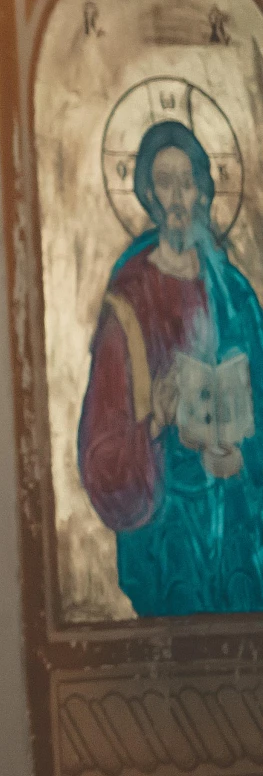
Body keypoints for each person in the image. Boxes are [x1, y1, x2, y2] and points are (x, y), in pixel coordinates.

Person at [77, 120, 263, 615]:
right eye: (165, 182)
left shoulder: (236, 295)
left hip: (239, 526)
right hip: (171, 526)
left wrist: (247, 456)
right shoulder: (129, 304)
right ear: (147, 195)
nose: (179, 196)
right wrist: (155, 421)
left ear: (204, 188)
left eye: (189, 180)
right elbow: (100, 453)